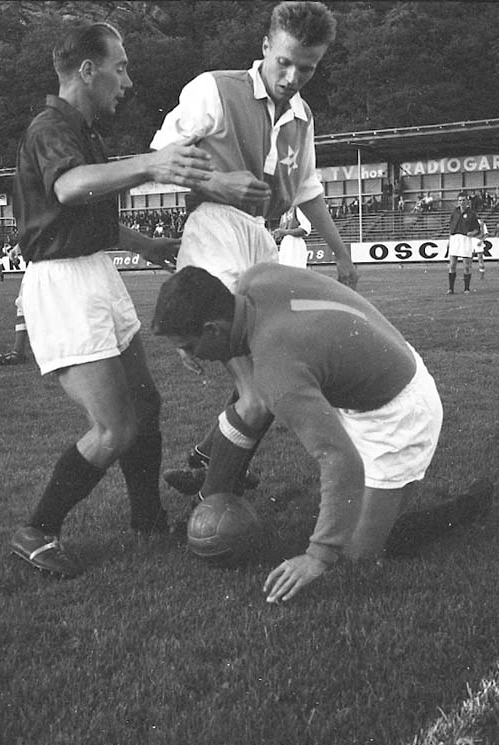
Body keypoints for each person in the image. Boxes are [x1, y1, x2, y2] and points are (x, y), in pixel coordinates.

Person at [151, 264, 494, 603]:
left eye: (188, 346)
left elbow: (339, 459)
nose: (188, 355)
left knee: (356, 556)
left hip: (397, 413)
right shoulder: (255, 277)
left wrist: (319, 554)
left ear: (212, 329)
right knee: (356, 520)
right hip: (380, 367)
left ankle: (463, 509)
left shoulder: (277, 372)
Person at [8, 21, 216, 578]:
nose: (127, 80)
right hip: (64, 285)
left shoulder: (81, 131)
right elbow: (69, 188)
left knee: (145, 406)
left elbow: (84, 212)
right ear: (87, 70)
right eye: (119, 67)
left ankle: (147, 519)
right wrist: (151, 163)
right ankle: (37, 529)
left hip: (95, 273)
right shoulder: (50, 127)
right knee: (115, 428)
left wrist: (147, 246)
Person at [150, 0, 356, 495]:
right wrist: (217, 182)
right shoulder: (215, 88)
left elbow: (307, 190)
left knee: (275, 368)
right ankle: (212, 499)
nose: (292, 77)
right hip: (215, 228)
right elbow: (161, 155)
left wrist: (342, 253)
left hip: (260, 237)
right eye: (283, 62)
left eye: (307, 68)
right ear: (265, 46)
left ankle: (209, 461)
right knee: (259, 391)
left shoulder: (302, 116)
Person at [446, 191, 480, 294]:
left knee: (466, 265)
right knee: (452, 264)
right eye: (460, 200)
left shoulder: (472, 214)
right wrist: (449, 240)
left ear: (467, 201)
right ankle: (451, 289)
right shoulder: (454, 212)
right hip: (455, 239)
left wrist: (472, 233)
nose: (461, 202)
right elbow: (451, 227)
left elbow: (477, 229)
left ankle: (466, 288)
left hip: (465, 239)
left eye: (463, 200)